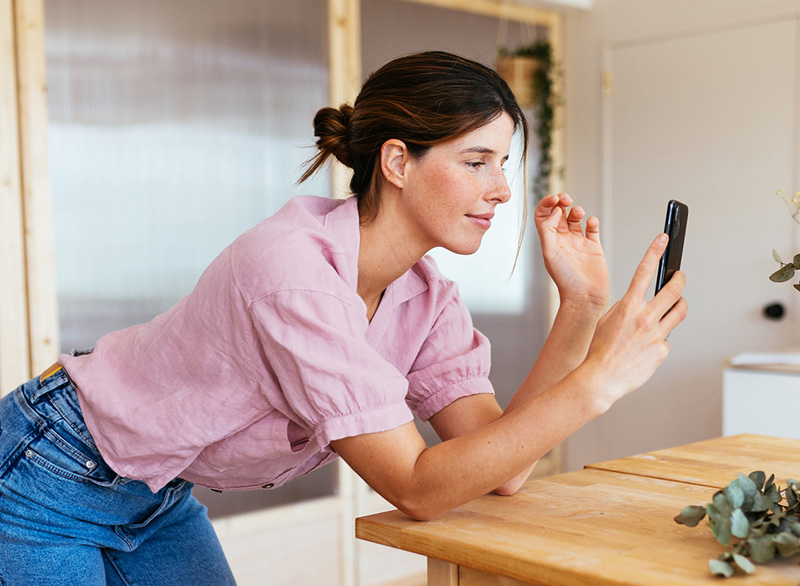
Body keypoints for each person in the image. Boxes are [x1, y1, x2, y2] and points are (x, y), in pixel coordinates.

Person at [0, 51, 687, 585]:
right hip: (50, 469)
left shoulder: (425, 295)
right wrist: (598, 380)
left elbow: (499, 464)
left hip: (152, 489)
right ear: (397, 161)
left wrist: (582, 309)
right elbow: (419, 489)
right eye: (477, 161)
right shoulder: (296, 275)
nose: (502, 189)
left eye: (503, 163)